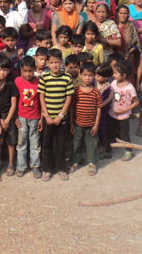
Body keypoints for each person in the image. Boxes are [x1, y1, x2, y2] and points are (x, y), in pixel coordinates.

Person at [38, 49, 73, 181]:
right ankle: (47, 169)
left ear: (61, 62)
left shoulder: (67, 77)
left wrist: (60, 115)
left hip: (61, 119)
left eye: (57, 62)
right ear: (47, 63)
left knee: (61, 144)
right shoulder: (44, 77)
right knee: (46, 144)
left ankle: (61, 168)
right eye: (51, 62)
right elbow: (41, 97)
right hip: (48, 117)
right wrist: (46, 116)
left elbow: (68, 98)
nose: (54, 65)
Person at [71, 63, 101, 176]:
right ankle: (75, 161)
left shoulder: (96, 92)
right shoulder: (76, 91)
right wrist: (71, 124)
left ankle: (92, 163)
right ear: (80, 74)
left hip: (91, 125)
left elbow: (99, 109)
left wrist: (96, 125)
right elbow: (72, 108)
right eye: (84, 75)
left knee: (91, 144)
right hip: (77, 124)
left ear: (94, 76)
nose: (87, 78)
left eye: (90, 75)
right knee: (76, 144)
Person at [14, 56, 41, 178]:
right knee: (21, 143)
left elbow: (41, 101)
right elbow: (14, 101)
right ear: (21, 70)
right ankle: (21, 167)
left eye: (30, 71)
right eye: (25, 71)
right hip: (22, 118)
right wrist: (16, 117)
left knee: (35, 144)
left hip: (35, 117)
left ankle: (35, 166)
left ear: (34, 69)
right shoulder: (17, 81)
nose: (28, 74)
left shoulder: (39, 82)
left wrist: (41, 118)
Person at [107, 60, 138, 162]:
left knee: (124, 133)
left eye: (116, 73)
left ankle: (129, 151)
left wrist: (124, 110)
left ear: (124, 75)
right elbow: (111, 96)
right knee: (111, 131)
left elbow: (136, 102)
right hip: (112, 113)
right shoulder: (113, 83)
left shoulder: (130, 88)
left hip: (124, 115)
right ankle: (110, 148)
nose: (113, 75)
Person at [0, 54, 18, 176]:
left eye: (5, 69)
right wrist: (0, 120)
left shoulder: (12, 85)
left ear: (9, 70)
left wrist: (7, 120)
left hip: (10, 116)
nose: (2, 73)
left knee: (11, 142)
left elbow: (14, 104)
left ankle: (11, 164)